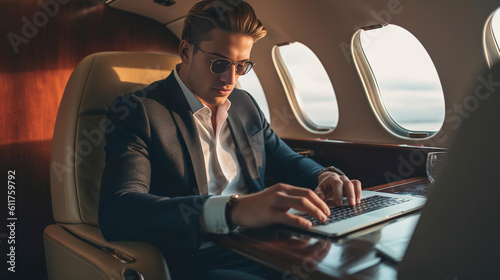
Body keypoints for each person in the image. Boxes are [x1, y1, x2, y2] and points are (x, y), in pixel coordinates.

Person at [99, 0, 362, 279]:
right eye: (219, 63)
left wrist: (323, 175)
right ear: (186, 51)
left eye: (241, 65)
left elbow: (287, 160)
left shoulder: (244, 104)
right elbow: (119, 210)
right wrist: (231, 210)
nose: (230, 78)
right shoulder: (138, 111)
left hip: (268, 246)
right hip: (200, 259)